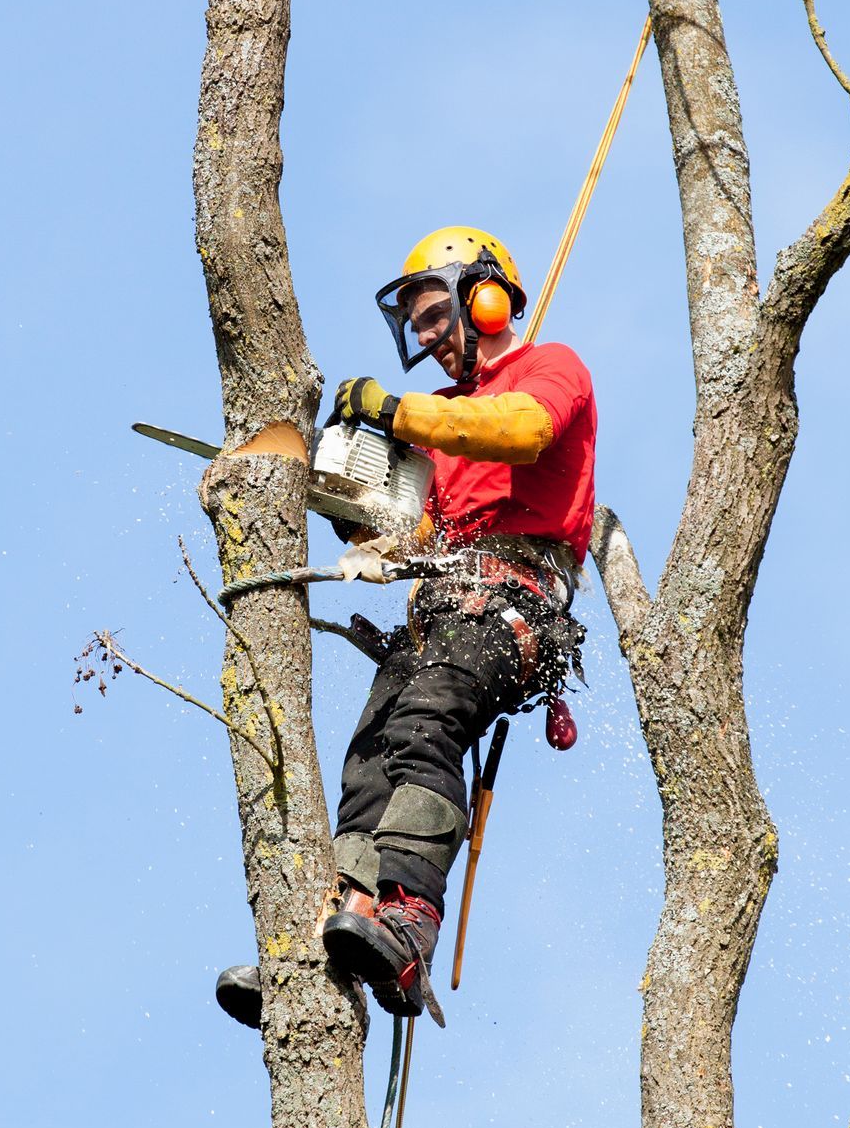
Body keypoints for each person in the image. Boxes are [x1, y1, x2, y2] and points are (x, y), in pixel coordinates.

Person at [215, 226, 595, 1029]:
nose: (423, 337)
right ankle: (336, 927)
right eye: (415, 323)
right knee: (372, 752)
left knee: (426, 726)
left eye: (432, 315)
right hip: (439, 607)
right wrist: (362, 519)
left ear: (483, 296)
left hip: (511, 599)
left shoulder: (546, 369)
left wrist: (397, 413)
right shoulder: (439, 422)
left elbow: (521, 432)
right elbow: (420, 531)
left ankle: (409, 913)